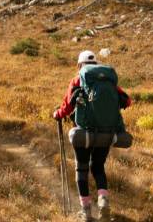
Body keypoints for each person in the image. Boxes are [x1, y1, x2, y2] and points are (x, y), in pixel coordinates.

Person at [53, 50, 131, 222]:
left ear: (79, 65)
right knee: (98, 167)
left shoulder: (78, 80)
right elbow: (127, 100)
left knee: (82, 169)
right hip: (107, 134)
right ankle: (103, 202)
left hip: (84, 134)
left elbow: (67, 106)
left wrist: (57, 114)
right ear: (96, 64)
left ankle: (86, 212)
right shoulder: (108, 81)